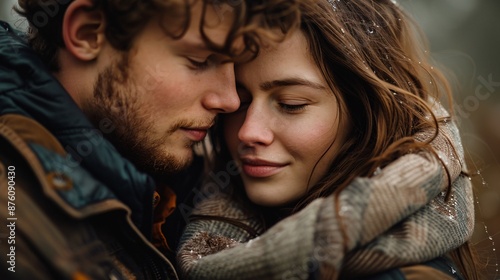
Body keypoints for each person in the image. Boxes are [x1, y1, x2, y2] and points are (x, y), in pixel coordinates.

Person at [177, 0, 481, 279]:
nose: (248, 132)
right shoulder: (176, 205)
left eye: (291, 104)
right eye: (241, 102)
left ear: (362, 115)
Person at [0, 0, 301, 279]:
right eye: (200, 60)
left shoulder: (169, 179)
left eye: (234, 67)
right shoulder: (13, 220)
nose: (230, 100)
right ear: (88, 33)